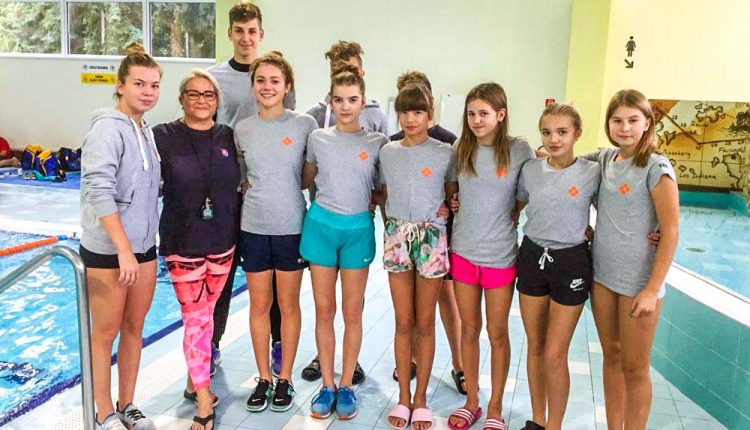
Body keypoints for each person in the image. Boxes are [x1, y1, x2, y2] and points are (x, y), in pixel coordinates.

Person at [207, 2, 295, 377]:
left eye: (252, 31)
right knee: (223, 273)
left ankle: (278, 342)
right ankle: (212, 343)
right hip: (228, 192)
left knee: (270, 276)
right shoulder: (213, 78)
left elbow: (287, 134)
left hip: (266, 194)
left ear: (261, 34)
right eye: (239, 31)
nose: (246, 38)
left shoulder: (276, 75)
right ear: (230, 33)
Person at [153, 69, 241, 430]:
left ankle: (195, 381)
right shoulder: (163, 136)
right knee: (196, 318)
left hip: (223, 241)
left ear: (217, 101)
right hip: (182, 241)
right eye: (193, 94)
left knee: (207, 315)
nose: (201, 100)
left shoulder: (228, 136)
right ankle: (204, 402)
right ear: (181, 99)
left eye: (208, 94)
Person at [300, 63, 388, 420]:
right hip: (321, 227)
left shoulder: (377, 143)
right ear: (331, 102)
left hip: (357, 232)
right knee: (324, 311)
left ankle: (347, 384)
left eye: (352, 99)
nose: (346, 106)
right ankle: (327, 384)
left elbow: (382, 190)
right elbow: (305, 179)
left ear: (363, 102)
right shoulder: (317, 138)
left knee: (353, 312)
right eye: (339, 99)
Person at [79, 42, 161, 430]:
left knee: (134, 329)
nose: (148, 92)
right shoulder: (106, 129)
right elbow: (98, 190)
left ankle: (127, 404)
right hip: (109, 251)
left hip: (144, 247)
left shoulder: (145, 130)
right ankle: (102, 411)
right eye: (139, 84)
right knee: (105, 333)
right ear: (120, 85)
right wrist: (123, 250)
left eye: (154, 85)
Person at [586, 89, 679, 430]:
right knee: (611, 357)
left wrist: (652, 289)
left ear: (647, 123)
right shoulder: (604, 159)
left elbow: (671, 231)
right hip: (603, 276)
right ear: (608, 124)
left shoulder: (657, 167)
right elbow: (561, 158)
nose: (624, 128)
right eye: (617, 120)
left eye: (632, 120)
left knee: (635, 368)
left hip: (639, 282)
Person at [447, 83, 535, 430]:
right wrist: (454, 202)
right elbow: (453, 189)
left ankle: (495, 407)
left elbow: (530, 191)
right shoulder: (461, 148)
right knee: (469, 329)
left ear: (501, 115)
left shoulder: (519, 150)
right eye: (471, 114)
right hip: (464, 252)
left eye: (484, 113)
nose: (476, 120)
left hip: (500, 256)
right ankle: (472, 402)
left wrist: (513, 212)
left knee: (497, 333)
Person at [234, 53, 317, 413]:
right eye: (261, 80)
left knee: (288, 305)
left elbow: (310, 174)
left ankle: (285, 378)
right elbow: (240, 175)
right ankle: (264, 377)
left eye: (274, 81)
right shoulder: (242, 129)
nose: (267, 87)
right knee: (258, 305)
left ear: (287, 86)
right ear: (253, 85)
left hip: (291, 228)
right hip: (253, 227)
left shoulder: (304, 125)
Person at [514, 104, 600, 430]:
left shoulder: (592, 172)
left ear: (577, 134)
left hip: (571, 262)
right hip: (532, 255)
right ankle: (537, 419)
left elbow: (617, 208)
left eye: (562, 132)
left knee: (554, 352)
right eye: (547, 132)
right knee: (535, 347)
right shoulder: (531, 170)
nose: (554, 139)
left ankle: (555, 425)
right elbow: (515, 205)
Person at [380, 83, 457, 430]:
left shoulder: (445, 152)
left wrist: (447, 209)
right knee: (403, 321)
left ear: (430, 115)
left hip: (431, 238)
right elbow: (382, 192)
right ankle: (403, 397)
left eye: (418, 112)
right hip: (398, 235)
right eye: (404, 112)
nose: (410, 119)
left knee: (425, 322)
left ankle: (422, 398)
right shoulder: (388, 151)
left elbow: (453, 194)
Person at [305, 40, 387, 133]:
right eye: (338, 72)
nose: (345, 76)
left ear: (361, 74)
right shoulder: (314, 116)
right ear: (331, 75)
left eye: (351, 70)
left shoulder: (376, 116)